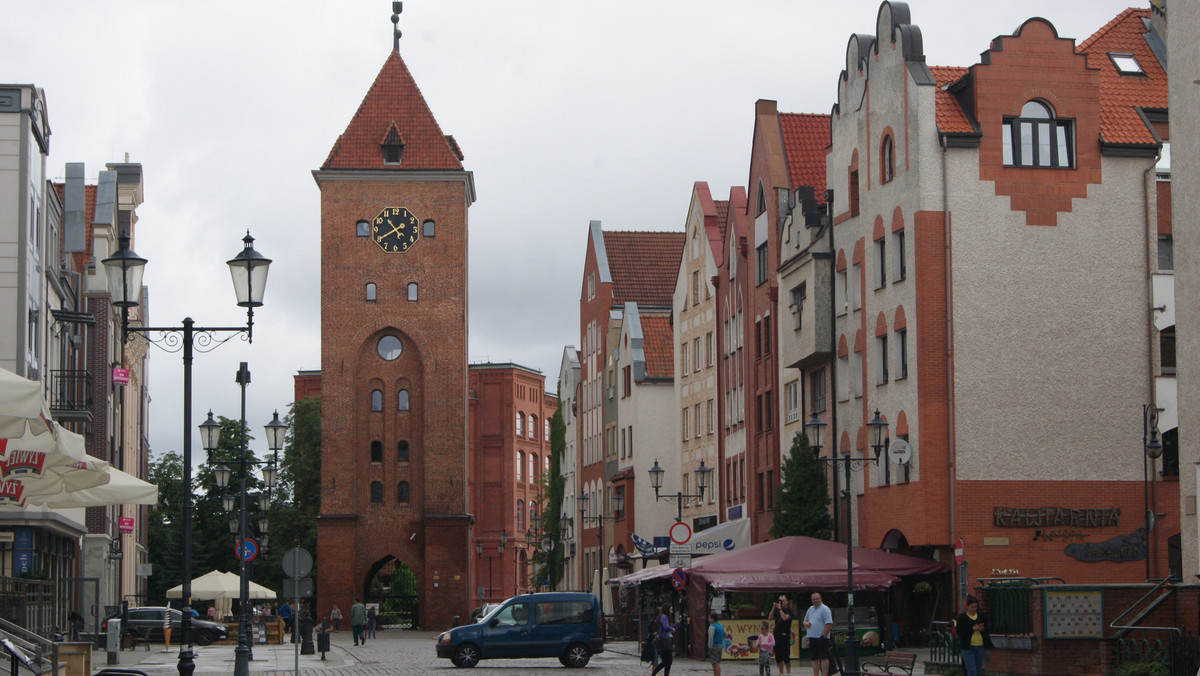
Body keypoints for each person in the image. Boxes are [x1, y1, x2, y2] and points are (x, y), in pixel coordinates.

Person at [955, 595, 994, 676]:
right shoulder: (962, 617)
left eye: (975, 607)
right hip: (968, 647)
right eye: (972, 607)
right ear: (967, 607)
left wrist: (982, 629)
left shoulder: (980, 616)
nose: (974, 609)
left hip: (980, 646)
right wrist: (972, 629)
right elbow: (960, 632)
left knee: (977, 670)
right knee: (971, 670)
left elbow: (988, 627)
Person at [802, 592, 833, 676]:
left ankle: (824, 674)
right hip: (812, 636)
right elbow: (804, 621)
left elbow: (829, 623)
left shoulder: (825, 609)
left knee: (823, 657)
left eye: (817, 599)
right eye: (813, 599)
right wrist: (806, 624)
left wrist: (823, 636)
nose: (815, 601)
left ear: (820, 599)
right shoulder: (810, 609)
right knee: (814, 658)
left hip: (821, 636)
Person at [768, 593, 796, 674]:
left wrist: (780, 609)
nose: (782, 603)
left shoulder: (789, 611)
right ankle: (781, 673)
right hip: (777, 635)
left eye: (783, 601)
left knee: (786, 656)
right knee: (778, 657)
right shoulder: (777, 611)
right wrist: (774, 607)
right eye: (780, 601)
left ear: (787, 602)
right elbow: (769, 618)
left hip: (785, 636)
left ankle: (788, 673)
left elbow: (784, 618)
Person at [650, 604, 681, 676]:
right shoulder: (664, 616)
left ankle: (658, 674)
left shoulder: (664, 617)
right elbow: (666, 627)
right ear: (667, 609)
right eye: (671, 609)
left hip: (665, 640)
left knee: (666, 661)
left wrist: (676, 624)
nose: (672, 611)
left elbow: (667, 628)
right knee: (668, 660)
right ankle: (656, 673)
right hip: (665, 641)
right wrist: (672, 629)